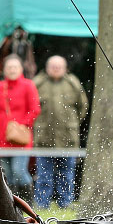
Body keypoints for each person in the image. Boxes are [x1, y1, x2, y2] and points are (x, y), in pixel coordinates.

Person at [32, 56, 87, 209]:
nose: (56, 69)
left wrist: (72, 124)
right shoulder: (37, 83)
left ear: (65, 68)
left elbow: (82, 107)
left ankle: (65, 203)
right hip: (44, 138)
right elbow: (31, 107)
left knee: (67, 174)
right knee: (44, 175)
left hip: (68, 138)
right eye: (53, 66)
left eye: (59, 66)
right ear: (47, 67)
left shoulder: (73, 83)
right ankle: (42, 204)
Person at [0, 55, 40, 202]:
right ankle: (12, 205)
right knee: (7, 174)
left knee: (19, 172)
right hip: (1, 137)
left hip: (20, 137)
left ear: (21, 69)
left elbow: (35, 109)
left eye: (15, 67)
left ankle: (29, 204)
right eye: (9, 67)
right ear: (4, 70)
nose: (12, 70)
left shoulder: (28, 85)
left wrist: (22, 125)